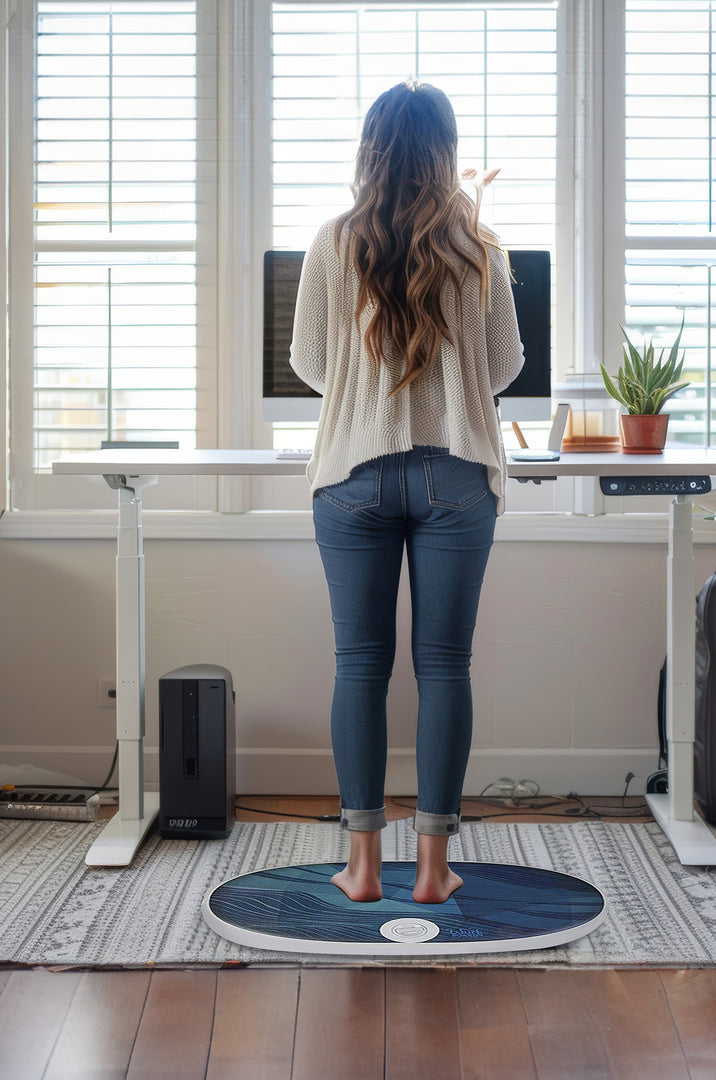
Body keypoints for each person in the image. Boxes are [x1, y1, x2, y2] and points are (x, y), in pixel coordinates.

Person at [289, 81, 525, 904]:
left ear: (372, 150)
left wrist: (372, 385)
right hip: (455, 472)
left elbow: (311, 365)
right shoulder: (481, 247)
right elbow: (501, 371)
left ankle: (360, 867)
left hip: (352, 473)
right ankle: (431, 869)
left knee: (358, 665)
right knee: (444, 665)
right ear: (446, 152)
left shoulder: (331, 240)